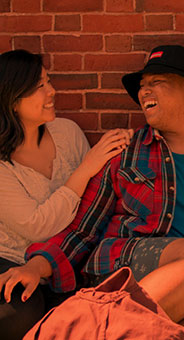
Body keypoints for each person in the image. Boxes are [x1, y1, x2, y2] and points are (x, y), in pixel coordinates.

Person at [0, 45, 184, 340]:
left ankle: (116, 332)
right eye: (142, 86)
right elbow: (82, 229)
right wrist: (36, 267)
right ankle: (85, 329)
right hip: (128, 267)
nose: (144, 92)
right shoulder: (125, 153)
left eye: (156, 83)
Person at [0, 49, 133, 339]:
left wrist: (121, 147)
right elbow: (37, 226)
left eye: (49, 81)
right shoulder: (1, 165)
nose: (52, 91)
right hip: (11, 260)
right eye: (40, 87)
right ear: (11, 101)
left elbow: (92, 204)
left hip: (66, 254)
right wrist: (85, 169)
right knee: (20, 313)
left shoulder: (67, 132)